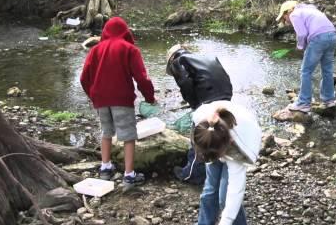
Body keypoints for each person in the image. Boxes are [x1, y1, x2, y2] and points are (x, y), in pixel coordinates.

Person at [80, 17, 156, 190]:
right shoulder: (130, 49)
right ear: (125, 32)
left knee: (106, 132)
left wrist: (93, 96)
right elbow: (141, 78)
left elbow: (84, 77)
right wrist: (149, 97)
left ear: (105, 32)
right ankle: (129, 176)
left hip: (100, 98)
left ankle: (105, 168)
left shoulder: (95, 50)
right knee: (128, 136)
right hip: (122, 98)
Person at [189, 100, 261, 225]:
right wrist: (209, 156)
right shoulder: (203, 124)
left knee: (224, 196)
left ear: (226, 147)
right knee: (210, 190)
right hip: (214, 140)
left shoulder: (241, 148)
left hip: (234, 140)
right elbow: (206, 144)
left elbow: (235, 192)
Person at [166, 44, 233, 185]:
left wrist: (194, 105)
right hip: (226, 95)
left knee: (197, 136)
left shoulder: (178, 61)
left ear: (172, 58)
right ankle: (219, 167)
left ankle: (192, 174)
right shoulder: (204, 57)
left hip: (208, 98)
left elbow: (185, 83)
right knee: (219, 130)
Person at [277, 0, 336, 113]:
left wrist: (300, 47)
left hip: (318, 38)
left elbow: (302, 34)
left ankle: (304, 103)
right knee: (327, 70)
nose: (285, 21)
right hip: (332, 35)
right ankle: (329, 100)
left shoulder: (294, 14)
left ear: (287, 13)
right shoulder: (310, 9)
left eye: (284, 18)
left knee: (306, 71)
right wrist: (305, 45)